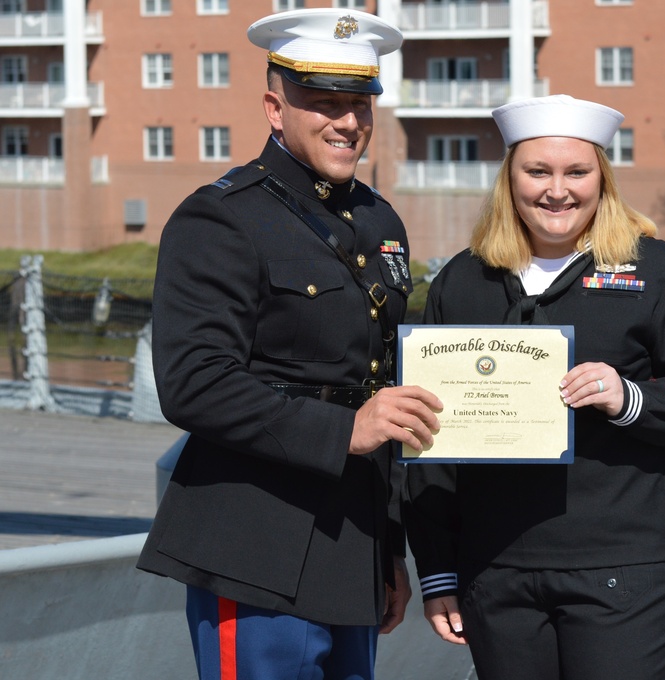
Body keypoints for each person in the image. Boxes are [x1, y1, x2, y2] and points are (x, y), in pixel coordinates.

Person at [137, 9, 442, 680]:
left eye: (359, 104)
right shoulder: (220, 216)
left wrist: (389, 546)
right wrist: (345, 430)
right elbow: (193, 382)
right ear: (276, 108)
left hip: (353, 543)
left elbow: (380, 387)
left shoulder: (378, 221)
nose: (348, 121)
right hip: (255, 544)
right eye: (324, 103)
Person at [404, 95, 665, 680]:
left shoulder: (657, 271)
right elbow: (429, 439)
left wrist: (630, 398)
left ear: (602, 179)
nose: (557, 190)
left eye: (577, 172)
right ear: (509, 178)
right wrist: (438, 568)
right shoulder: (463, 280)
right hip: (497, 572)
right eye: (537, 171)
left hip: (626, 572)